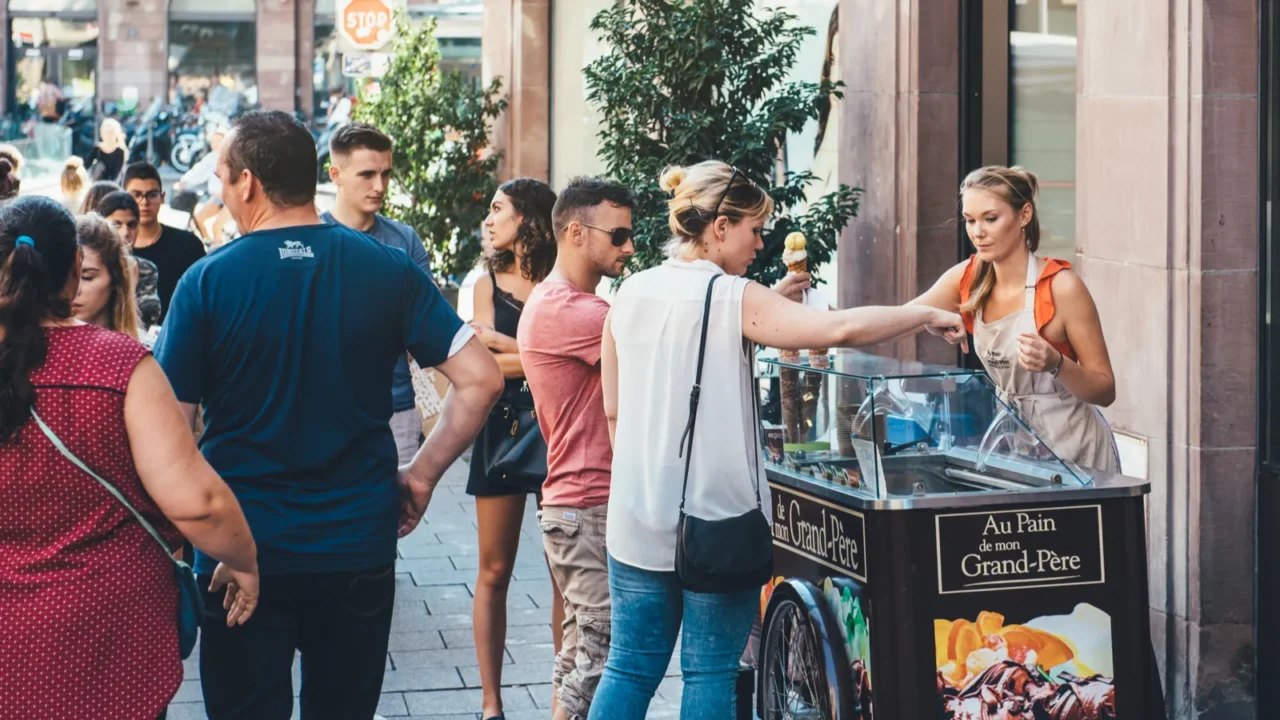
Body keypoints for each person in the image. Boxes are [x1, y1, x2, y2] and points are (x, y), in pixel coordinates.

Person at [154, 110, 504, 719]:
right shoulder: (387, 268)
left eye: (221, 177)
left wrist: (200, 537)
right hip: (356, 542)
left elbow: (171, 432)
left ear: (247, 184)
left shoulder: (206, 284)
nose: (220, 190)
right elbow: (481, 380)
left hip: (242, 552)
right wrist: (420, 475)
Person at [593, 161, 966, 718]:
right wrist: (923, 315)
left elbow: (614, 411)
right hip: (717, 522)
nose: (761, 242)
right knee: (710, 677)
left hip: (635, 519)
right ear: (720, 226)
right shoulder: (734, 297)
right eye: (753, 229)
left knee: (628, 668)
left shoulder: (630, 293)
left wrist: (649, 483)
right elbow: (837, 329)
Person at [0, 195, 259, 718]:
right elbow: (197, 503)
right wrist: (244, 561)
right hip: (114, 633)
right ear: (75, 269)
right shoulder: (117, 363)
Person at [518, 176, 637, 720]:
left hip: (576, 502)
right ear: (575, 231)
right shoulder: (577, 312)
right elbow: (667, 332)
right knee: (598, 649)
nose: (628, 248)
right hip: (585, 502)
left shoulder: (564, 302)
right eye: (618, 236)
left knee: (578, 653)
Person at [910, 166, 1118, 472]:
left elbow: (1105, 391)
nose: (978, 232)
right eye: (970, 220)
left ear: (1024, 215)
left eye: (990, 219)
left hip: (1077, 458)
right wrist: (931, 319)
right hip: (1015, 450)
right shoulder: (967, 277)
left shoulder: (1063, 287)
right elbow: (901, 318)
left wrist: (1056, 363)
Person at [468, 177, 565, 720]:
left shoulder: (562, 280)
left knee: (563, 572)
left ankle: (560, 699)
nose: (489, 219)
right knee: (493, 570)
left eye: (499, 209)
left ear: (528, 219)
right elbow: (483, 366)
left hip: (558, 429)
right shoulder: (487, 282)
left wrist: (511, 348)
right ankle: (491, 704)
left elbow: (580, 357)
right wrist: (538, 354)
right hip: (500, 430)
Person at [321, 123, 435, 466]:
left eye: (385, 174)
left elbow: (426, 327)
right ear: (336, 174)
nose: (379, 186)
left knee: (391, 516)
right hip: (326, 409)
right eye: (367, 174)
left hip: (397, 407)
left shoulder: (404, 240)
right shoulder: (313, 238)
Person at [124, 162, 206, 321]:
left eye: (151, 195)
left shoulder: (188, 246)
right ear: (124, 197)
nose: (144, 202)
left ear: (162, 197)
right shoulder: (113, 248)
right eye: (136, 195)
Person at [98, 190, 162, 336]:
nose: (125, 232)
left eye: (132, 224)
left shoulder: (147, 269)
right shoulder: (91, 269)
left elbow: (151, 318)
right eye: (116, 224)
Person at [73, 214, 143, 339]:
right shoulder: (36, 347)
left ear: (115, 279)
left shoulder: (140, 351)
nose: (72, 290)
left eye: (87, 277)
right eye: (62, 277)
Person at [174, 125, 228, 240]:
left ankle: (215, 246)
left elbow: (199, 171)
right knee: (200, 219)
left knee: (215, 226)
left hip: (229, 199)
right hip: (218, 198)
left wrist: (184, 181)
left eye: (218, 141)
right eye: (214, 141)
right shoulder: (212, 157)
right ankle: (209, 243)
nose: (215, 145)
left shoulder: (228, 157)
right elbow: (199, 170)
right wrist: (185, 180)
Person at [87, 118, 128, 183]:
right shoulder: (97, 149)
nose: (107, 135)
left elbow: (117, 174)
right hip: (97, 185)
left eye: (110, 132)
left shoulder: (120, 151)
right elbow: (86, 166)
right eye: (105, 132)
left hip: (113, 187)